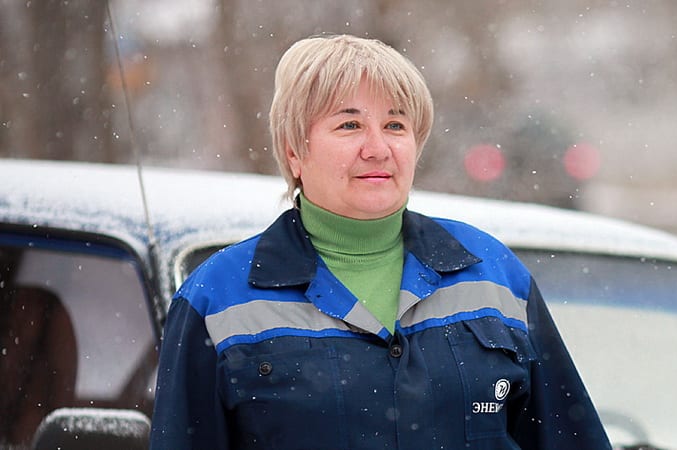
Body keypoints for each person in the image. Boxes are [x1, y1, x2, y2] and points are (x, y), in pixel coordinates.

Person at [150, 34, 611, 450]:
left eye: (395, 125)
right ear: (294, 152)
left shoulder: (493, 274)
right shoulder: (218, 299)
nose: (377, 148)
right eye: (349, 126)